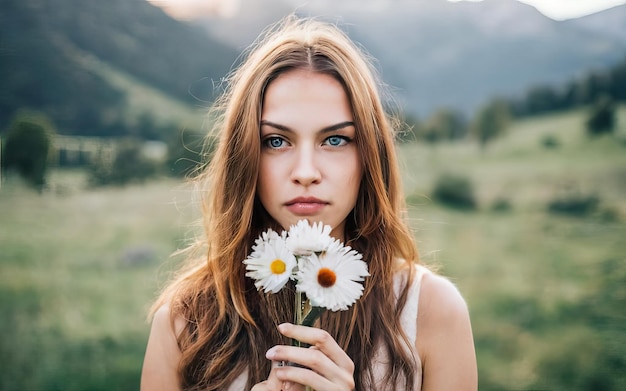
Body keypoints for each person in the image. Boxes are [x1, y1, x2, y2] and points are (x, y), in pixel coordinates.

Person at [141, 15, 477, 391]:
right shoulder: (184, 323)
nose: (305, 172)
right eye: (276, 141)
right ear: (245, 155)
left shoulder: (431, 312)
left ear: (370, 154)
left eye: (334, 140)